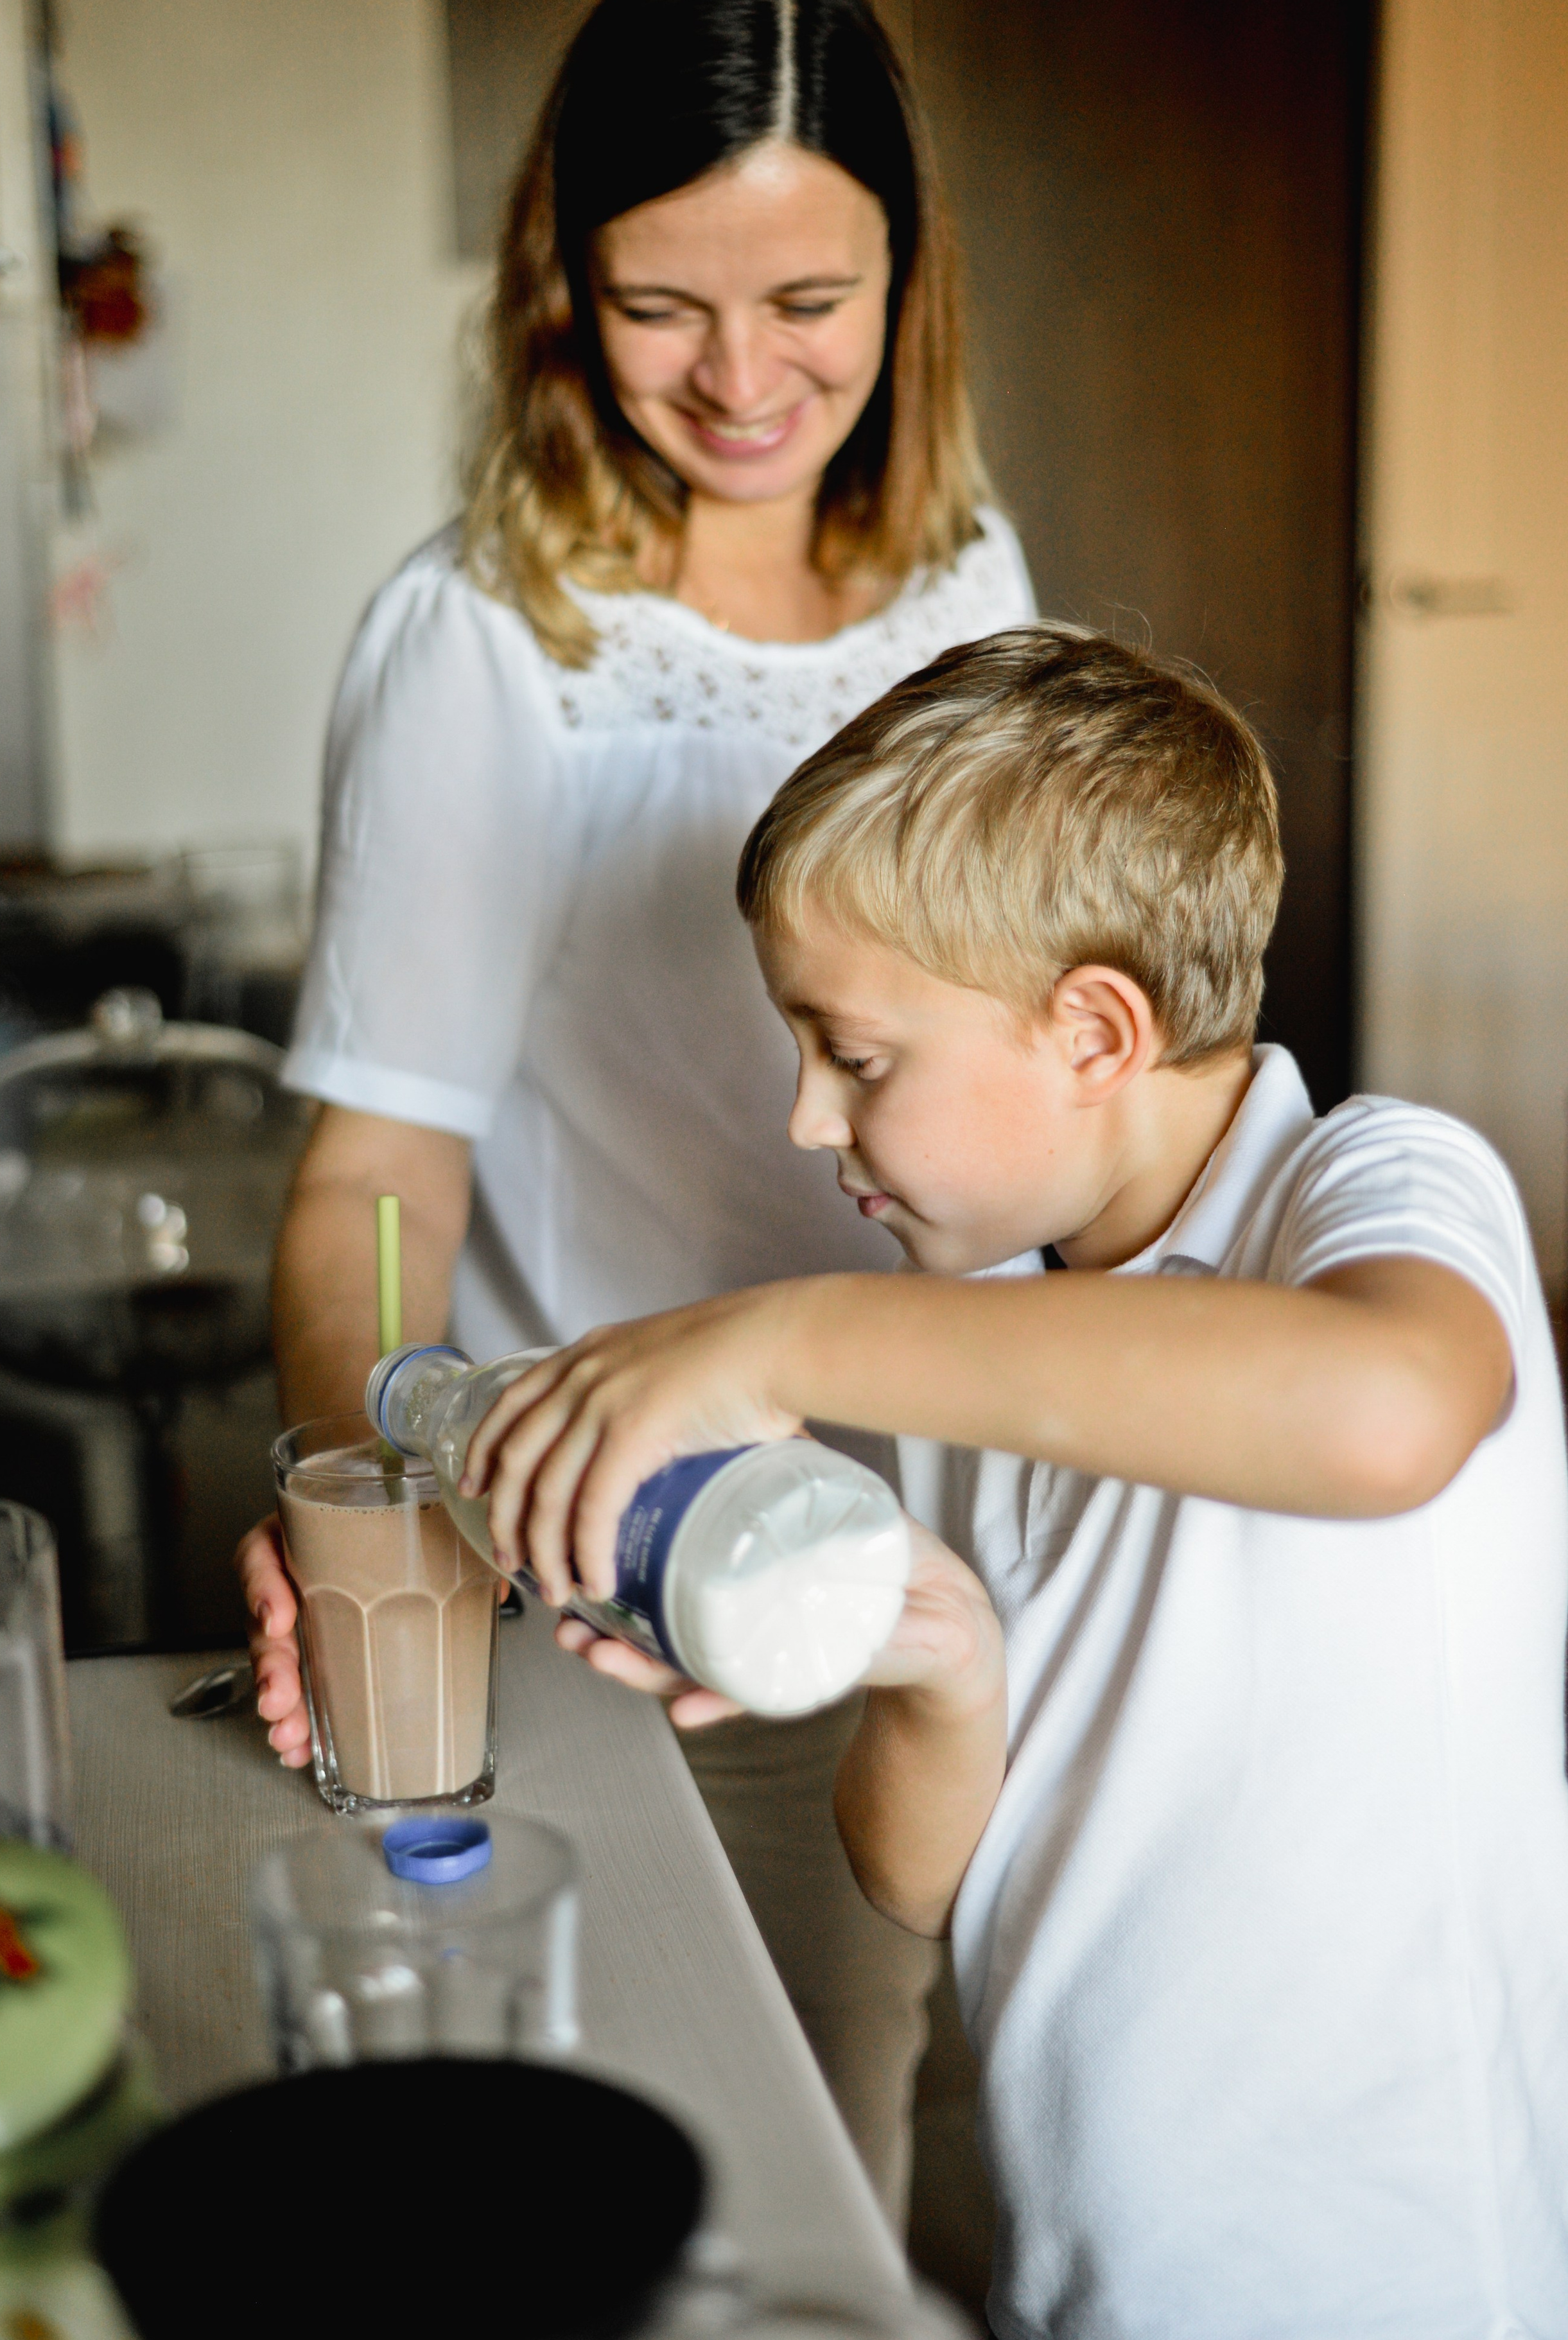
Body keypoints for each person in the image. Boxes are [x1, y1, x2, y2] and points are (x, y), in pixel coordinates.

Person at [460, 625, 1568, 2339]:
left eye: (856, 1056)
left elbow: (1385, 1412)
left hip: (1385, 2287)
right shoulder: (980, 1321)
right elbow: (923, 1883)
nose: (806, 1119)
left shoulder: (1376, 1184)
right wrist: (945, 1667)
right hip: (1092, 2277)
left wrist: (783, 1336)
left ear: (1098, 1032)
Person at [238, 0, 1034, 2222]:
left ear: (910, 276)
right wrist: (379, 1498)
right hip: (626, 1576)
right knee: (660, 2193)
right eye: (660, 303)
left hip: (941, 1561)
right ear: (560, 284)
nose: (743, 377)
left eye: (812, 299)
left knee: (853, 2158)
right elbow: (369, 1172)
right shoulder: (493, 640)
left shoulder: (969, 582)